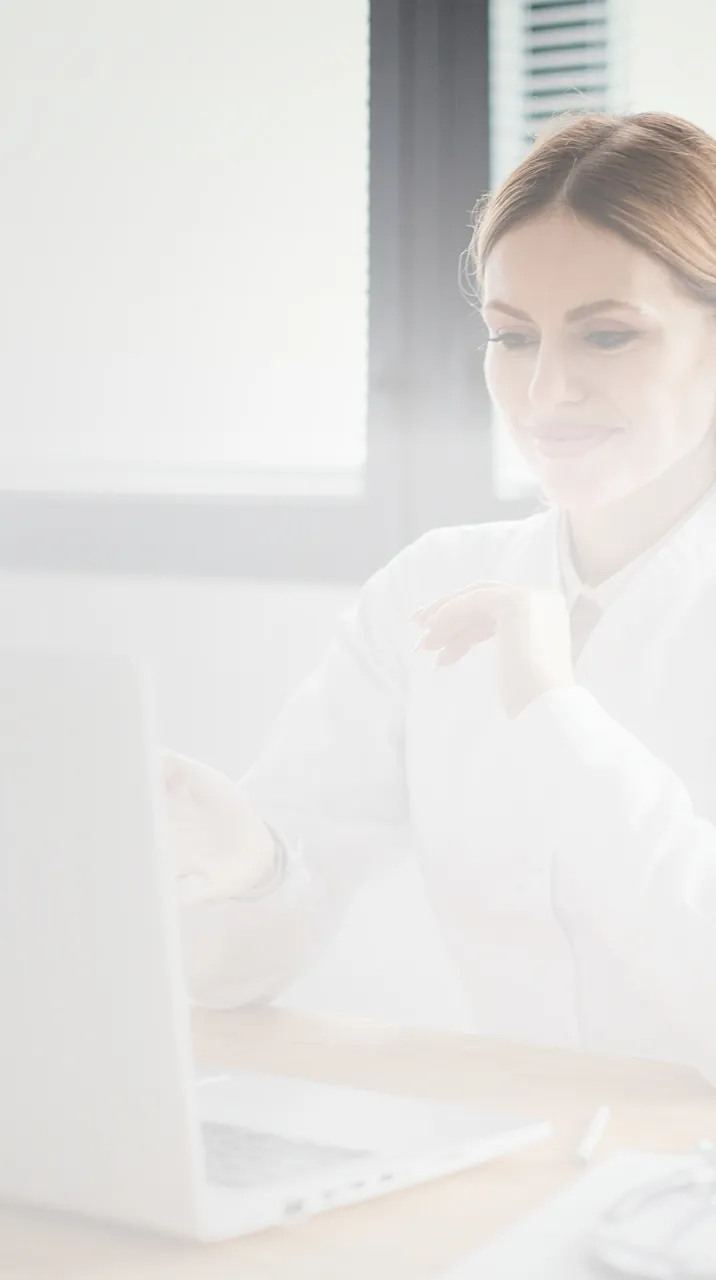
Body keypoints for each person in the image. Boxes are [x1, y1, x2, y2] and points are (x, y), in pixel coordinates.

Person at [167, 111, 716, 1084]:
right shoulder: (430, 589)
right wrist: (243, 865)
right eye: (510, 337)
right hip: (517, 1152)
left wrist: (553, 712)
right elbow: (240, 969)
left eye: (605, 334)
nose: (545, 391)